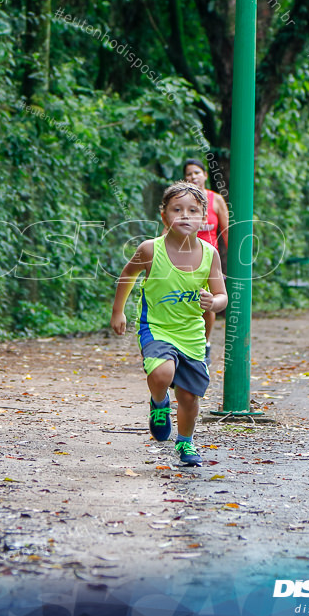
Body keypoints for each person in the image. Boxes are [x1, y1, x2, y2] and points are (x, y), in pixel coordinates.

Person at [110, 182, 228, 466]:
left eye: (192, 210)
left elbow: (222, 295)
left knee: (189, 397)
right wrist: (118, 312)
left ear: (203, 219)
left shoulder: (209, 254)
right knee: (163, 373)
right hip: (157, 328)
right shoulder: (150, 250)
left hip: (191, 334)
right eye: (177, 210)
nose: (185, 216)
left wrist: (214, 302)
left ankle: (185, 443)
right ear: (164, 216)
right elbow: (127, 276)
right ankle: (159, 403)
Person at [183, 158, 229, 349]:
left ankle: (206, 344)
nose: (193, 177)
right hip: (184, 259)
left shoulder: (215, 200)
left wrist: (238, 262)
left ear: (205, 175)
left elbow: (226, 231)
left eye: (196, 172)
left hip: (209, 261)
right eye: (188, 174)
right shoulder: (182, 201)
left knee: (208, 302)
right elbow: (167, 229)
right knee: (183, 301)